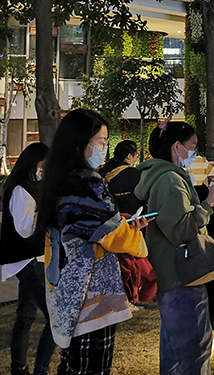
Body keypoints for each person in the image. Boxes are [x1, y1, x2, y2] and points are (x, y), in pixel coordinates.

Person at [37, 109, 149, 375]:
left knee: (72, 363)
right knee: (91, 366)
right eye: (100, 141)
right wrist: (136, 236)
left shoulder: (58, 178)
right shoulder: (85, 182)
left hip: (66, 284)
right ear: (80, 143)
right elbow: (112, 235)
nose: (104, 148)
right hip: (91, 294)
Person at [135, 121, 214, 375]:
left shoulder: (163, 176)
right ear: (176, 146)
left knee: (174, 354)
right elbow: (182, 230)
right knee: (194, 353)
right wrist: (209, 203)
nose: (195, 154)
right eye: (192, 147)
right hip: (182, 276)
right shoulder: (169, 180)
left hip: (172, 275)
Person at [0, 142, 57, 375]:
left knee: (25, 315)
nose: (45, 169)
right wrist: (48, 215)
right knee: (54, 319)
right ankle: (39, 369)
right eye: (44, 164)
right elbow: (25, 228)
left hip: (30, 258)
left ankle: (19, 367)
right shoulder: (22, 188)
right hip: (27, 259)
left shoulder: (28, 185)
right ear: (35, 162)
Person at [100, 140, 144, 215]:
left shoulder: (105, 170)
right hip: (130, 218)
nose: (136, 158)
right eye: (136, 155)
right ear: (129, 156)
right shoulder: (134, 173)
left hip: (107, 213)